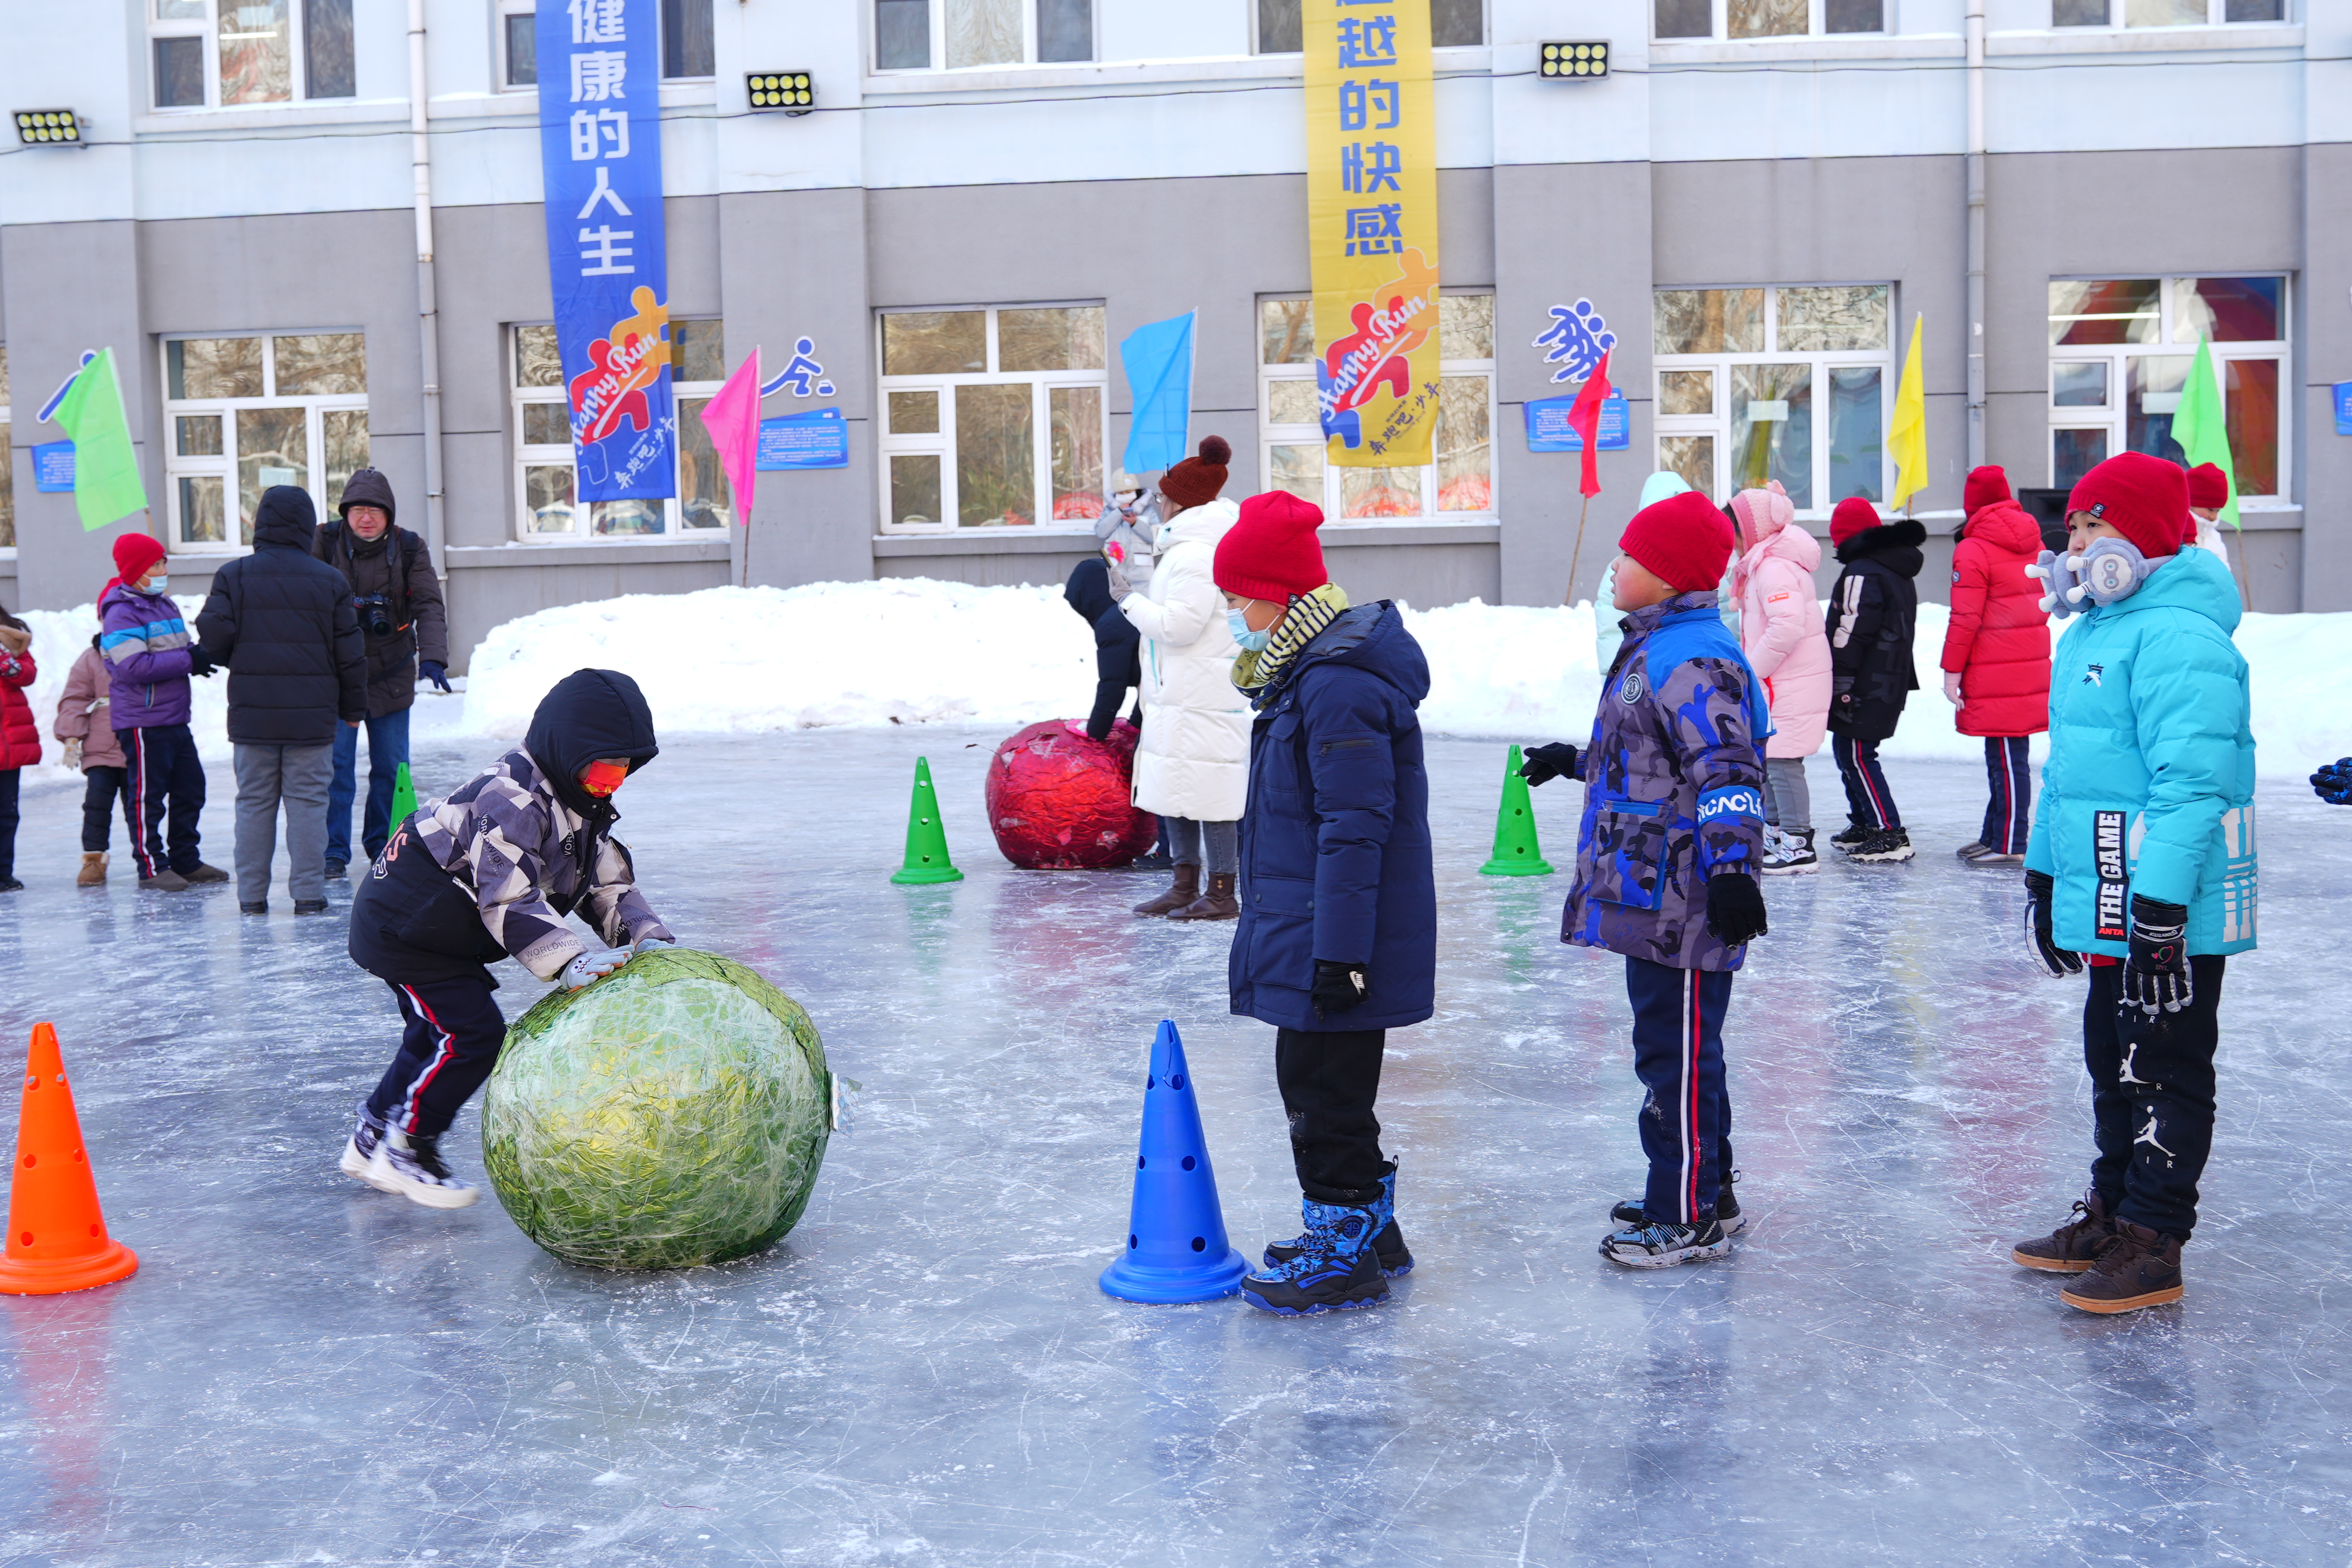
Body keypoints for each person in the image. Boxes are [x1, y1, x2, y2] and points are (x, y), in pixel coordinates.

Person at [2012, 451, 2255, 1314]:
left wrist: (2157, 910)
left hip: (2165, 903)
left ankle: (2155, 1237)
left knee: (2163, 1067)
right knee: (2110, 1061)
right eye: (2071, 524)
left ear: (2147, 536)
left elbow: (2191, 787)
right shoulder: (2088, 631)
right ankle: (2113, 1210)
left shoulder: (2179, 635)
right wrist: (2044, 875)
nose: (2075, 542)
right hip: (2107, 894)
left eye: (2094, 524)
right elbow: (2068, 775)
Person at [1524, 489, 1771, 1269]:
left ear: (1666, 577)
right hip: (1650, 892)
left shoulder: (1693, 658)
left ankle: (1688, 1212)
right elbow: (1654, 758)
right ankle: (1704, 1187)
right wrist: (1580, 763)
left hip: (1690, 900)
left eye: (1629, 557)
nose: (1615, 567)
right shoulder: (1657, 647)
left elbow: (1727, 772)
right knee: (1672, 1051)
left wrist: (1733, 871)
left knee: (1681, 1057)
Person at [1215, 489, 1434, 1314]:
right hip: (1315, 925)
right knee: (1329, 1086)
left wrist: (1340, 955)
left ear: (1277, 596)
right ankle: (1370, 1229)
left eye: (1237, 599)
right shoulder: (1304, 675)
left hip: (1336, 939)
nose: (1232, 614)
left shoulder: (1333, 685)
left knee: (1319, 1091)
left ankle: (1340, 1247)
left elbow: (1354, 827)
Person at [341, 668, 674, 1208]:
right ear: (569, 751)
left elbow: (603, 883)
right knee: (472, 1035)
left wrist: (645, 938)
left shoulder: (577, 803)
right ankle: (409, 1150)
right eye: (602, 772)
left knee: (431, 1037)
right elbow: (509, 896)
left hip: (435, 928)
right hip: (406, 927)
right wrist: (568, 961)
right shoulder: (510, 799)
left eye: (622, 774)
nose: (609, 786)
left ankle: (372, 1137)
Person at [197, 486, 368, 917]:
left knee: (254, 804)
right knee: (309, 804)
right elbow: (351, 656)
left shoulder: (233, 575)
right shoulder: (330, 580)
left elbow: (214, 641)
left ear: (261, 524)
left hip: (252, 717)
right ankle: (308, 895)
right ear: (304, 528)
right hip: (311, 720)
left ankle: (251, 896)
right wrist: (352, 711)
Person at [1118, 437, 1250, 922]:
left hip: (1200, 692)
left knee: (1210, 790)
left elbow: (1179, 626)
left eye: (1163, 495)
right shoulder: (1186, 548)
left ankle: (1219, 892)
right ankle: (1184, 883)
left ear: (1182, 501)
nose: (1157, 502)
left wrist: (1128, 601)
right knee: (1173, 783)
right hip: (1181, 689)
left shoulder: (1195, 554)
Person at [313, 467, 450, 877]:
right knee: (335, 768)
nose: (366, 518)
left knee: (391, 769)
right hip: (336, 675)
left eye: (374, 510)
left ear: (388, 514)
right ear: (345, 513)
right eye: (357, 510)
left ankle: (383, 844)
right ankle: (332, 851)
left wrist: (434, 656)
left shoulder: (409, 548)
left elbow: (428, 603)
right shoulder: (322, 542)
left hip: (390, 672)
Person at [100, 532, 229, 892]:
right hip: (143, 720)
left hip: (174, 716)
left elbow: (177, 649)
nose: (162, 570)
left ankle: (185, 859)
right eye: (155, 564)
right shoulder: (121, 612)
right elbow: (133, 667)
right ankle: (152, 866)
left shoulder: (164, 605)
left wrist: (198, 656)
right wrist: (188, 660)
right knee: (147, 797)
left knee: (191, 788)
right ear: (137, 570)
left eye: (163, 563)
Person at [1941, 466, 2052, 865]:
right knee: (2005, 753)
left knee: (2006, 758)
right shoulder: (2031, 537)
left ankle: (2010, 841)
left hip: (1995, 663)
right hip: (2024, 662)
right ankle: (1996, 833)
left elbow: (1965, 618)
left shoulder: (1973, 547)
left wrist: (1952, 672)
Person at [1726, 481, 1831, 875]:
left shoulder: (1773, 568)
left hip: (1790, 682)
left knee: (1785, 763)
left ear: (1751, 532)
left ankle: (1798, 843)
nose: (1731, 542)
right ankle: (1774, 833)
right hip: (1779, 682)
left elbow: (1787, 626)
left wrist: (1751, 671)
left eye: (1733, 532)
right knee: (1770, 760)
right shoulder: (1762, 565)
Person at [1823, 496, 1924, 863]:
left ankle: (1888, 831)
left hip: (1865, 680)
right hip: (1887, 679)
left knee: (1858, 755)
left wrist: (1841, 677)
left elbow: (1850, 630)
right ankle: (1866, 821)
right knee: (1848, 751)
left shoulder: (1862, 571)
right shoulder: (1892, 567)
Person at [53, 633, 129, 888]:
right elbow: (74, 698)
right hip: (101, 745)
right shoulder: (91, 657)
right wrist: (71, 735)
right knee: (96, 805)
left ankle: (149, 859)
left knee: (141, 808)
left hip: (139, 743)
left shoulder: (146, 647)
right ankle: (93, 859)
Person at [1062, 557, 1143, 743]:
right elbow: (1148, 676)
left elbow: (1113, 684)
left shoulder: (1113, 623)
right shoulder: (1129, 609)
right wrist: (1137, 723)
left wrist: (1095, 733)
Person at [0, 606, 37, 893]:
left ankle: (3, 873)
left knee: (7, 812)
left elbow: (28, 674)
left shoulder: (11, 633)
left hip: (9, 739)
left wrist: (8, 665)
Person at [2184, 462, 2234, 575]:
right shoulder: (2177, 533)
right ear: (2190, 503)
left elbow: (2225, 573)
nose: (2214, 517)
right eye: (2211, 510)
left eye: (2218, 511)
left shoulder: (2213, 536)